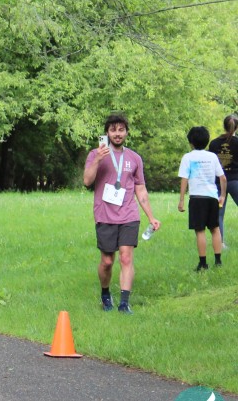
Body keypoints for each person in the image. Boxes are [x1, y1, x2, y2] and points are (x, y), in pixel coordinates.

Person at [83, 113, 160, 314]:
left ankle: (124, 303)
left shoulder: (134, 158)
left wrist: (151, 216)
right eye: (113, 130)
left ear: (126, 132)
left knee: (126, 258)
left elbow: (140, 189)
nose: (117, 134)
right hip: (105, 214)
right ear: (107, 133)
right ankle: (105, 294)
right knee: (107, 261)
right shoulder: (95, 154)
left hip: (129, 215)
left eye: (121, 130)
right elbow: (87, 181)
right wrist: (98, 159)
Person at [179, 126, 227, 271]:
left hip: (197, 198)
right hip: (212, 197)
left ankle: (203, 263)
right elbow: (223, 178)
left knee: (200, 231)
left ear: (190, 142)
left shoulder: (188, 157)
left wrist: (181, 200)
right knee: (215, 229)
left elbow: (184, 179)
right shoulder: (212, 157)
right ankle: (218, 261)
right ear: (206, 141)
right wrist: (222, 195)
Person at [208, 113, 238, 250]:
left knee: (219, 214)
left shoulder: (214, 143)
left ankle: (220, 243)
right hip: (235, 181)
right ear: (236, 127)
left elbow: (211, 164)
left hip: (218, 183)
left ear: (224, 126)